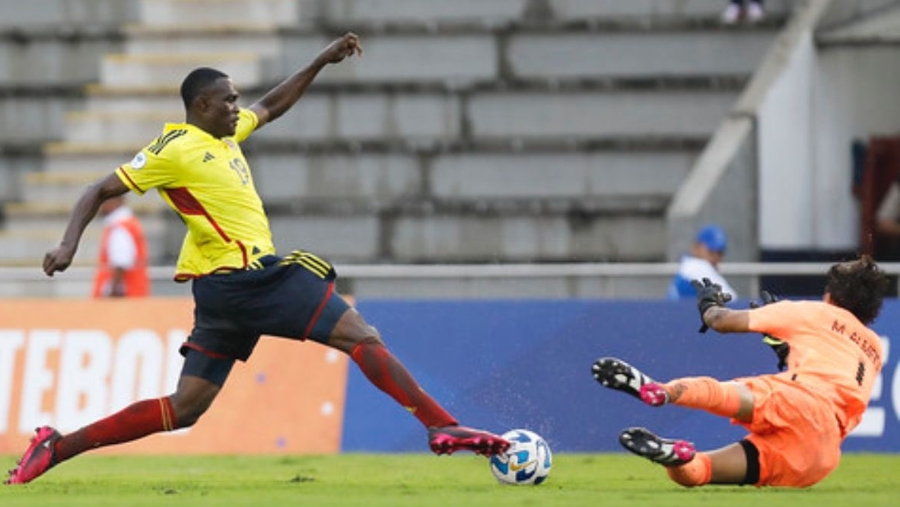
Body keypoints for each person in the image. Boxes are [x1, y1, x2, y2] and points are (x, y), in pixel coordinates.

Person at [5, 32, 509, 486]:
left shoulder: (226, 136)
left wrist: (319, 62)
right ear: (201, 104)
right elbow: (98, 189)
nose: (237, 108)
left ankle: (57, 446)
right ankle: (441, 425)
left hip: (225, 292)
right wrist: (69, 244)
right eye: (228, 101)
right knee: (361, 336)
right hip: (246, 281)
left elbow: (272, 105)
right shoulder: (176, 147)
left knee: (185, 409)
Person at [592, 255, 888, 488]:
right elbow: (833, 373)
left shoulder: (812, 312)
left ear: (830, 293)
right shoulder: (874, 349)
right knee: (701, 470)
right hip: (819, 456)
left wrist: (709, 303)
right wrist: (784, 349)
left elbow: (722, 321)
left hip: (802, 400)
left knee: (720, 393)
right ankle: (677, 459)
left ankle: (663, 392)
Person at [91, 195, 150, 298]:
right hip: (135, 295)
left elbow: (120, 263)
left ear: (115, 201)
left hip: (123, 299)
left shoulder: (120, 227)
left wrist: (110, 294)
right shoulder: (129, 224)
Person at [667, 224, 737, 301]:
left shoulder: (687, 267)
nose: (716, 257)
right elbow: (732, 299)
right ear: (696, 248)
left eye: (720, 253)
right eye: (711, 252)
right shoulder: (696, 266)